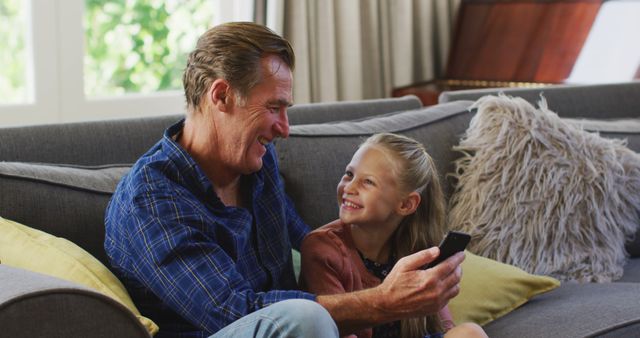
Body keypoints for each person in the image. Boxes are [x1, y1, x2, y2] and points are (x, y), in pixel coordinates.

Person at [105, 22, 464, 338]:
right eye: (274, 107)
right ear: (221, 95)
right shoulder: (150, 200)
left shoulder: (255, 163)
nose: (284, 129)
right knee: (307, 317)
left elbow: (307, 240)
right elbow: (233, 311)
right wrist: (384, 302)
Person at [301, 133, 487, 338]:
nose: (349, 187)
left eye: (368, 182)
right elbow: (332, 327)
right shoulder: (322, 249)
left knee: (470, 332)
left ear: (406, 204)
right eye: (349, 174)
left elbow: (442, 326)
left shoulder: (419, 247)